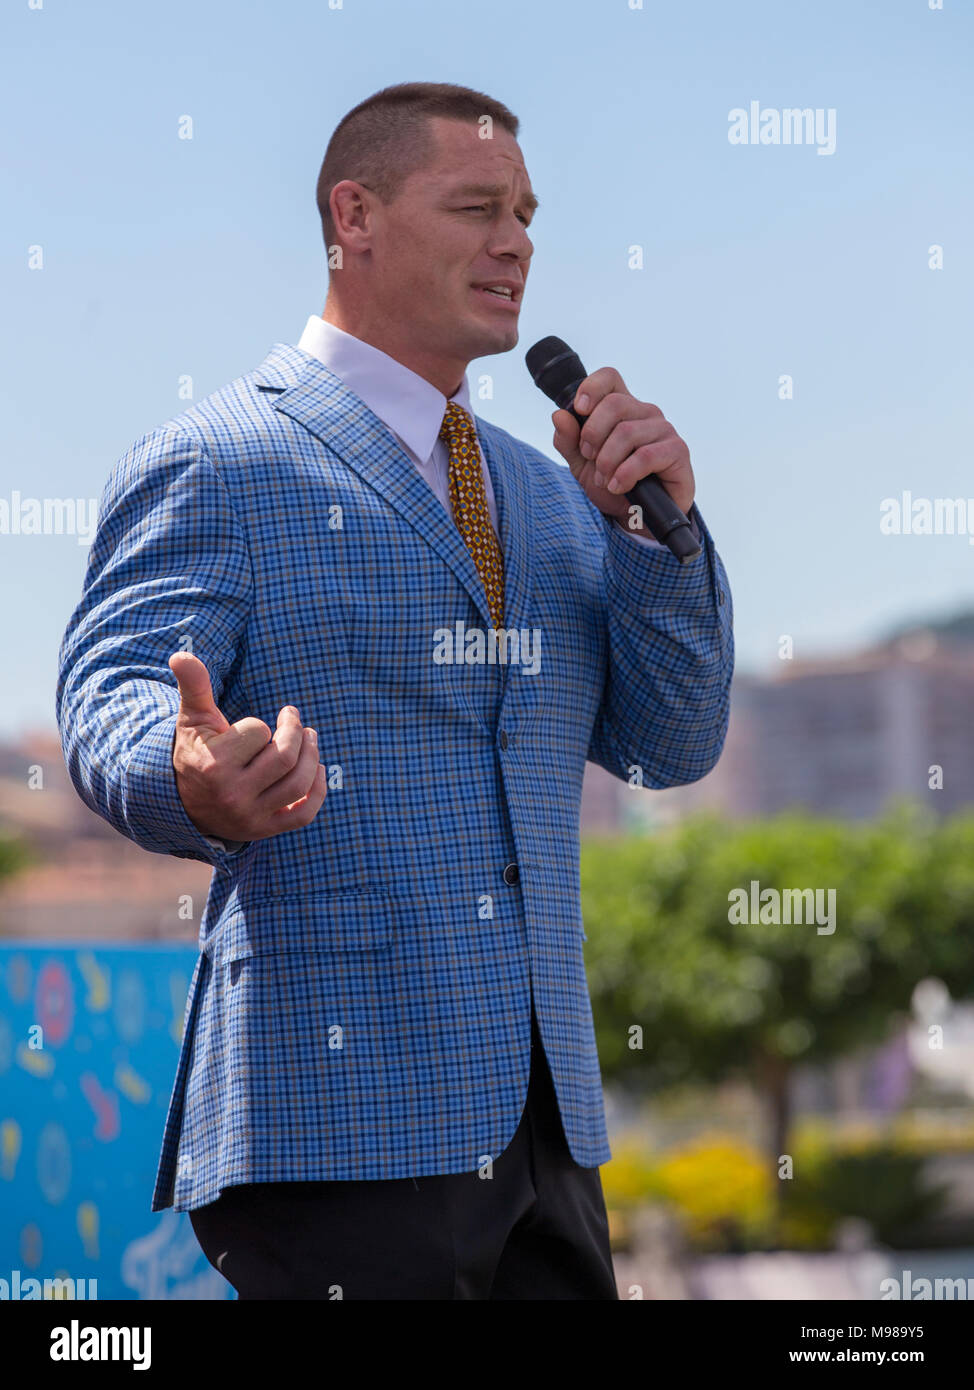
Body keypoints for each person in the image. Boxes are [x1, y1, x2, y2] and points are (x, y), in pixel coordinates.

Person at [56, 81, 734, 1300]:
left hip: (547, 1129)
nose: (516, 238)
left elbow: (668, 744)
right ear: (352, 215)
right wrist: (190, 772)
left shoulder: (552, 492)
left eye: (526, 211)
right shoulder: (217, 458)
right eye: (475, 204)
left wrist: (654, 544)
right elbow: (108, 694)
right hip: (334, 1121)